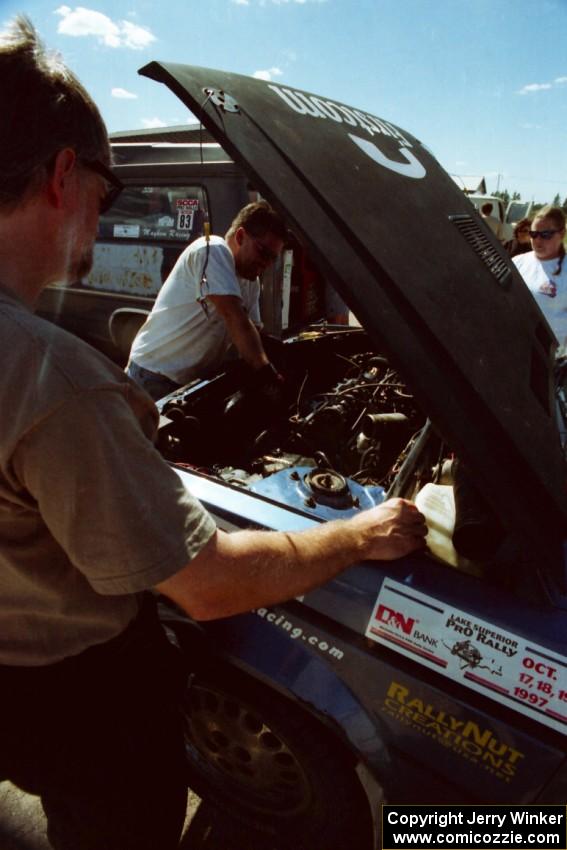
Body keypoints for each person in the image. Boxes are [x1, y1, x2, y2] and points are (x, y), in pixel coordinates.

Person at [0, 16, 427, 850]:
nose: (99, 209)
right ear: (62, 176)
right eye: (107, 190)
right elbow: (205, 585)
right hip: (80, 703)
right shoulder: (58, 381)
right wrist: (355, 533)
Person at [126, 201, 287, 400]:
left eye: (273, 258)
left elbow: (251, 331)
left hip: (187, 384)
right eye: (263, 253)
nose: (267, 264)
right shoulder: (211, 250)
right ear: (240, 236)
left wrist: (282, 356)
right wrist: (265, 372)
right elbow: (234, 316)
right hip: (153, 377)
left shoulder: (249, 281)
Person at [512, 205, 567, 356]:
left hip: (550, 361)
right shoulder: (517, 262)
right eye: (533, 234)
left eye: (546, 235)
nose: (537, 240)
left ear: (562, 233)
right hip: (514, 351)